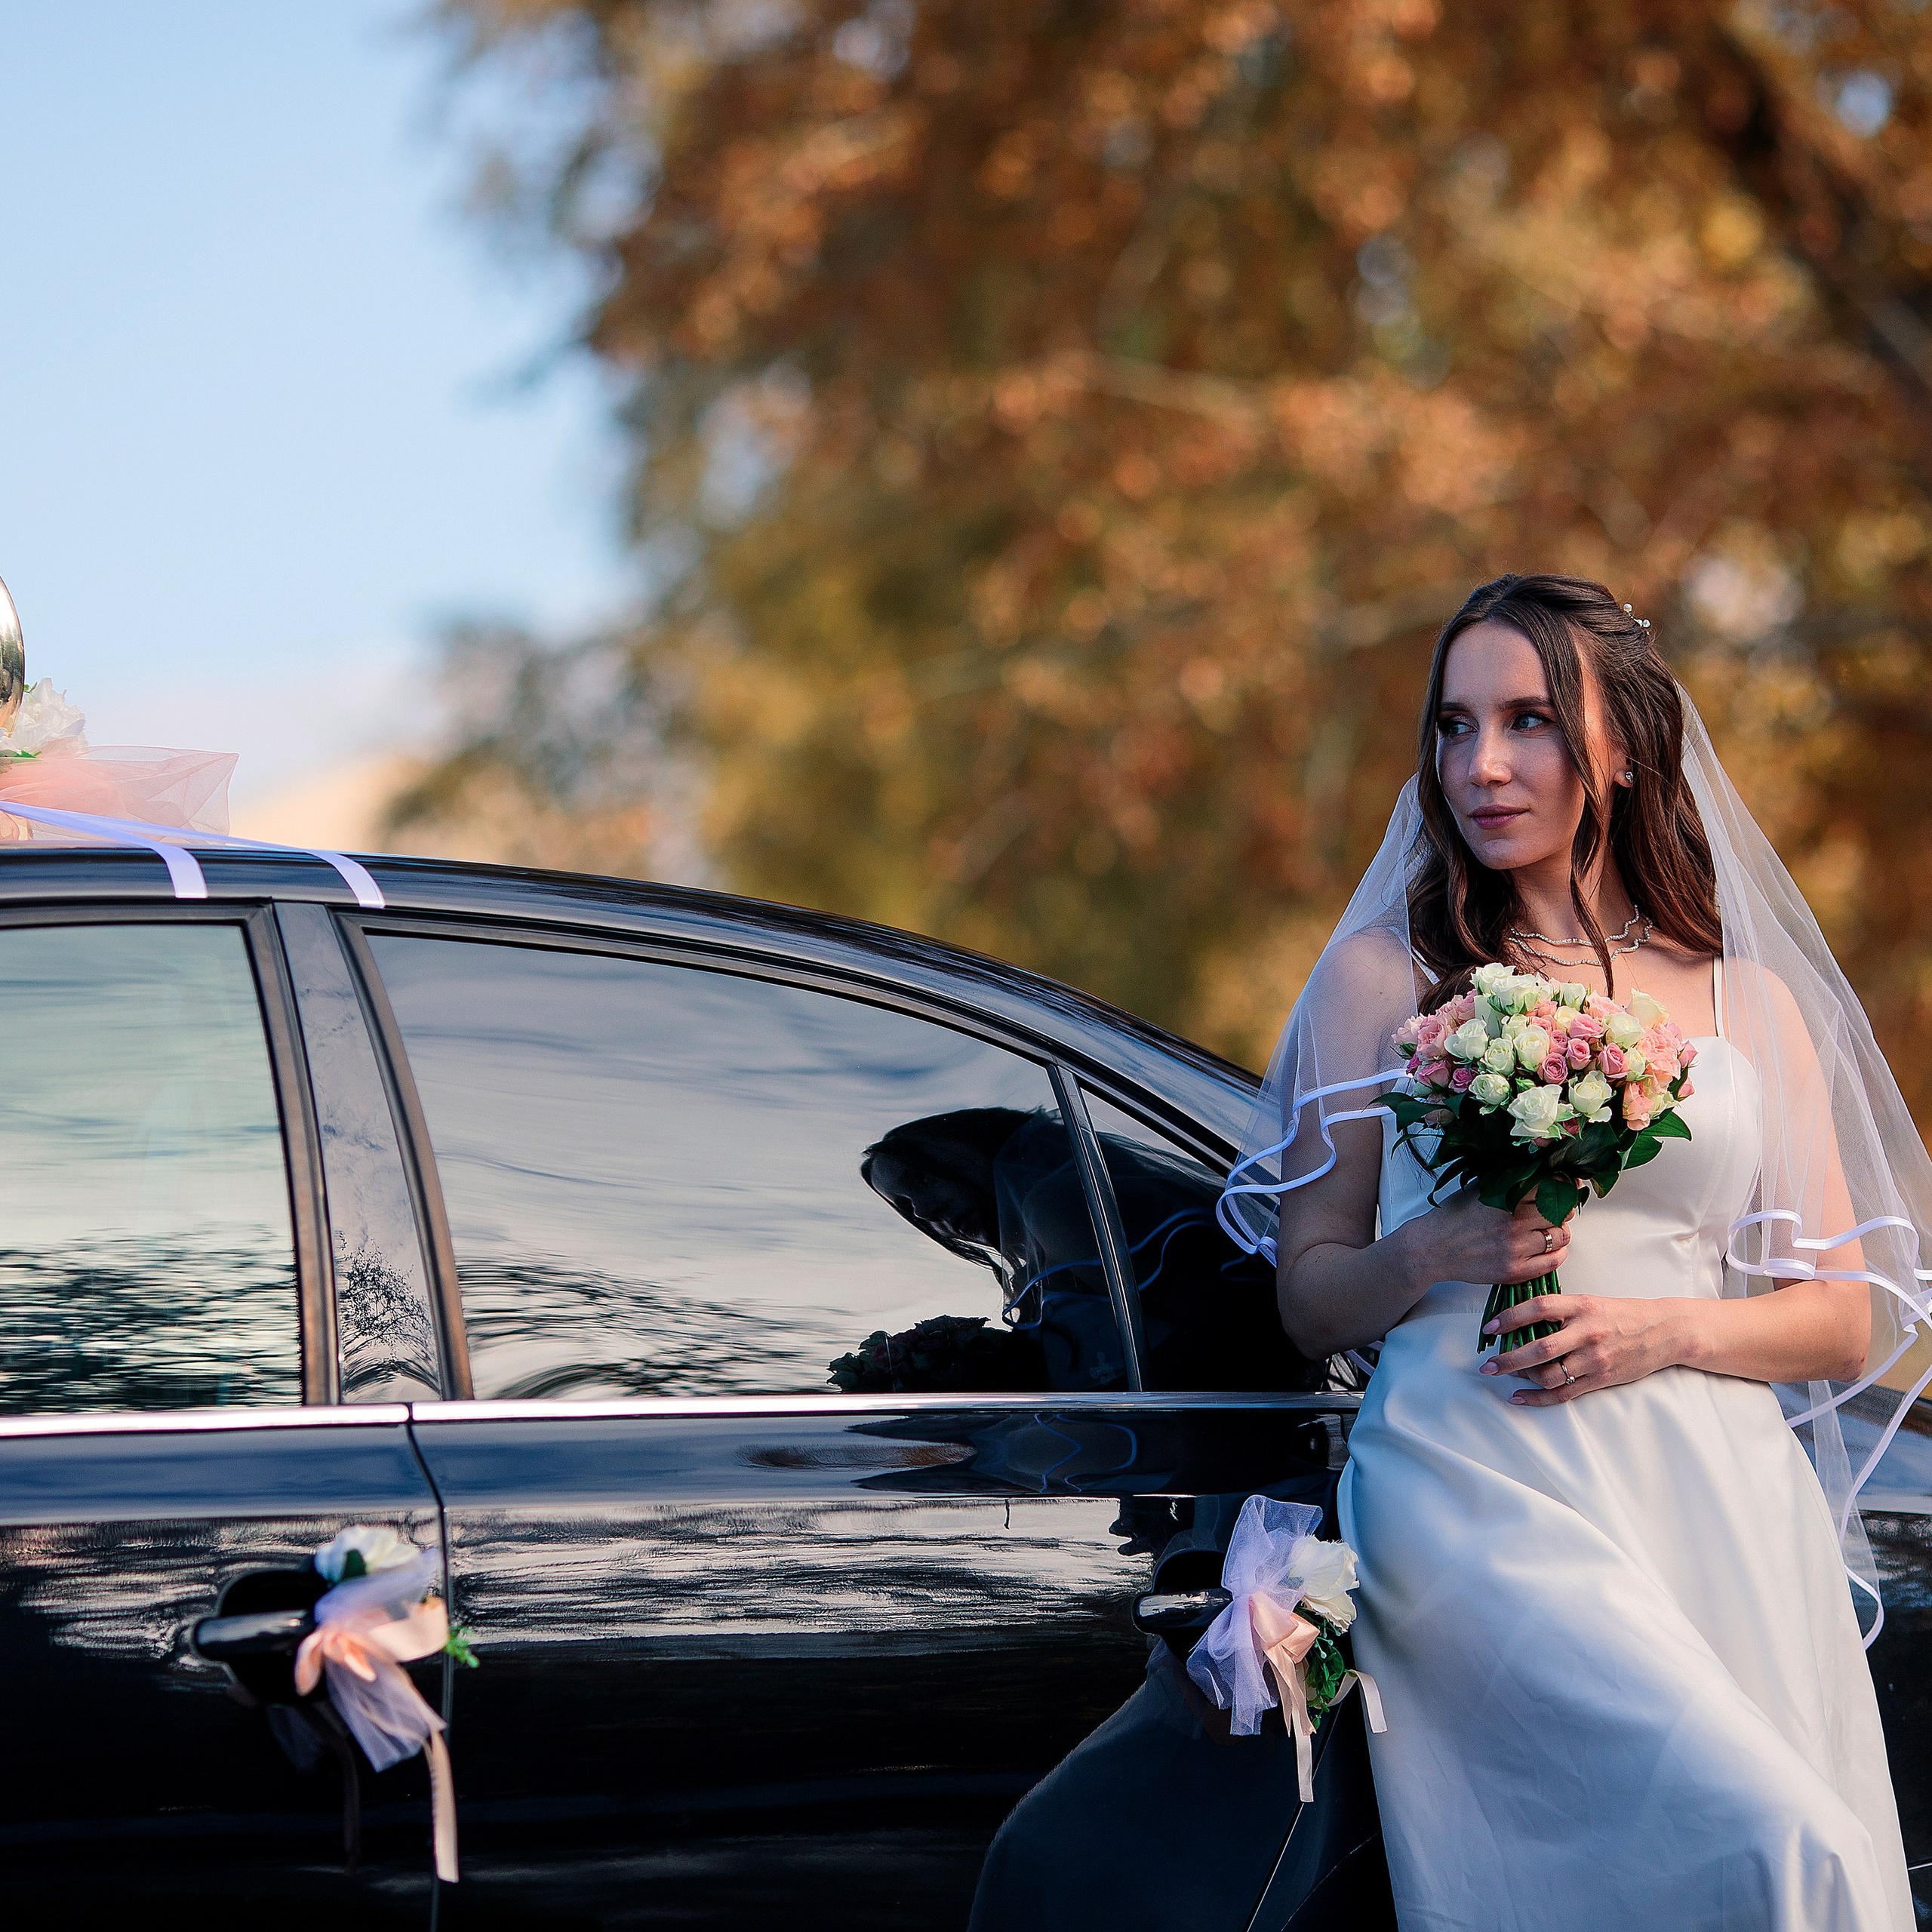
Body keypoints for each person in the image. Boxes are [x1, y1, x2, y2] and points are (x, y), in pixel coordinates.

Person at [1220, 574, 1919, 1928]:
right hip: (1472, 1487)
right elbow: (1309, 1299)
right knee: (1775, 1847)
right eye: (1453, 724)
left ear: (1623, 747)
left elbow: (1841, 1318)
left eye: (1529, 720)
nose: (1479, 765)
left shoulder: (1745, 998)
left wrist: (1667, 1332)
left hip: (1712, 1497)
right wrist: (1431, 1247)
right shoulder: (1382, 976)